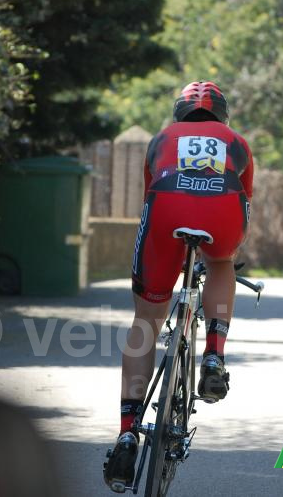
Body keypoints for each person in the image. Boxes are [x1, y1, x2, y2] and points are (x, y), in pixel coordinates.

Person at [104, 81, 254, 492]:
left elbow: (149, 195)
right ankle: (213, 356)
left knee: (147, 321)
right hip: (222, 210)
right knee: (222, 260)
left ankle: (127, 431)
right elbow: (246, 199)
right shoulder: (237, 142)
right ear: (222, 117)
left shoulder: (161, 139)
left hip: (167, 208)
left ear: (178, 115)